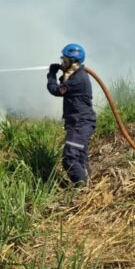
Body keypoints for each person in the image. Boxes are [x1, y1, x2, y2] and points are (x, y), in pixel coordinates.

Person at [46, 43, 97, 186]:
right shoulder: (75, 74)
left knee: (70, 158)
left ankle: (81, 188)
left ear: (73, 61)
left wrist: (51, 75)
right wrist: (61, 70)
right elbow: (65, 82)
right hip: (80, 123)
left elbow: (56, 90)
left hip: (80, 124)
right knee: (80, 156)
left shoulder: (78, 78)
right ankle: (87, 185)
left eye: (65, 60)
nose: (63, 61)